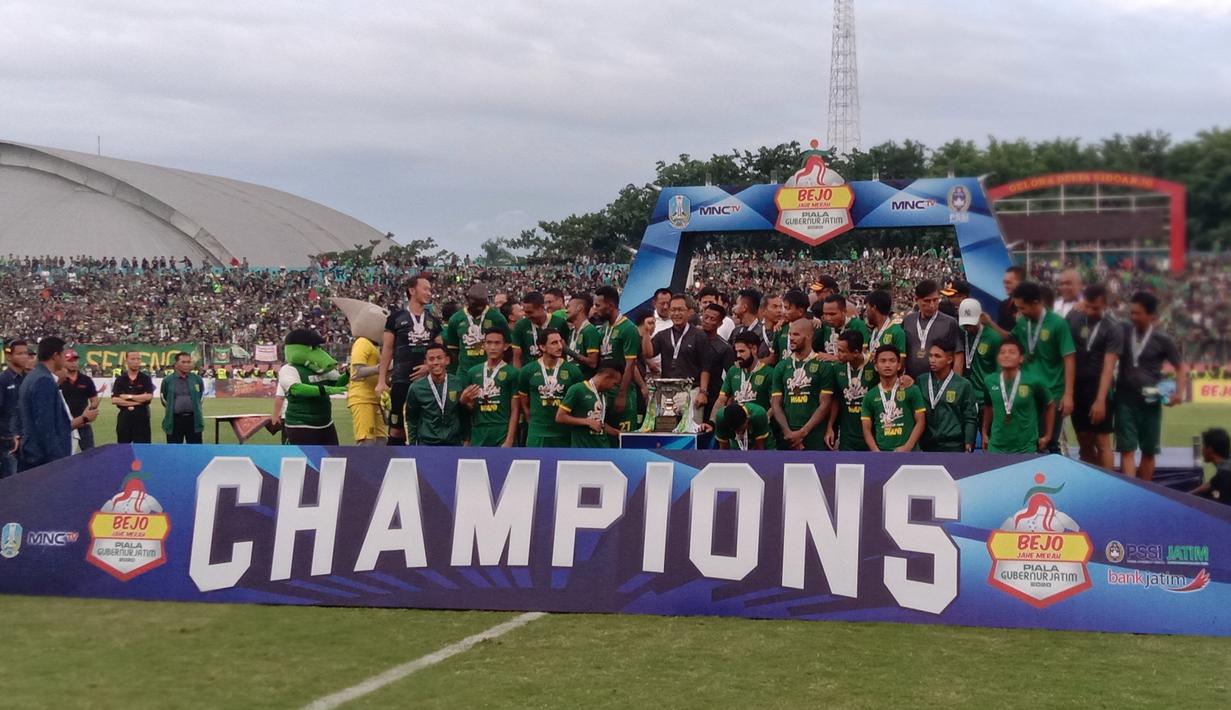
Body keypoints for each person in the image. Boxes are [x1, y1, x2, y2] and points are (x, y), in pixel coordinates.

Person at [1116, 291, 1188, 480]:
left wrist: (1179, 393)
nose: (1132, 317)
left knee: (1148, 452)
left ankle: (1145, 494)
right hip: (1124, 398)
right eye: (1131, 312)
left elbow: (1181, 368)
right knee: (1127, 450)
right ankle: (1130, 494)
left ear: (1151, 316)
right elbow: (1103, 317)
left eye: (1137, 313)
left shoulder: (1163, 340)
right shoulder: (1123, 330)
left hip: (1151, 401)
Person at [1006, 281, 1075, 454]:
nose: (1020, 312)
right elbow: (1009, 341)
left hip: (1052, 393)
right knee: (1027, 441)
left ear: (1036, 303)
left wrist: (1068, 395)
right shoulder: (1023, 323)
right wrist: (990, 324)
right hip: (1028, 393)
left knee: (1048, 442)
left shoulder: (1058, 324)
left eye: (1023, 308)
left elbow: (1069, 358)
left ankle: (1054, 480)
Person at [376, 275, 442, 446]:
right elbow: (387, 349)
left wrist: (429, 366)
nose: (429, 292)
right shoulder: (395, 319)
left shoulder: (434, 321)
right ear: (412, 291)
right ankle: (393, 463)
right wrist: (381, 381)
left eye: (430, 289)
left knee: (425, 425)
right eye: (425, 289)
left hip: (427, 383)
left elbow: (441, 352)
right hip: (401, 380)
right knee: (397, 428)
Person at [1067, 284, 1123, 469]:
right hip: (1077, 388)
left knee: (1102, 442)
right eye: (1088, 306)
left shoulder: (1113, 327)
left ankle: (1109, 490)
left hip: (1100, 389)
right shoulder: (1074, 316)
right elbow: (1066, 353)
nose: (1091, 311)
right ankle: (1090, 486)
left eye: (1096, 308)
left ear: (1105, 305)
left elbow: (1109, 367)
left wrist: (1100, 400)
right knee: (1084, 440)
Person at [643, 294, 712, 420]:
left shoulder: (699, 335)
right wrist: (646, 332)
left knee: (690, 432)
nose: (676, 313)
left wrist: (703, 392)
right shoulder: (662, 335)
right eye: (673, 310)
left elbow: (705, 367)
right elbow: (648, 353)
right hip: (666, 391)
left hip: (691, 391)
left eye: (680, 310)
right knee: (665, 430)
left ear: (690, 312)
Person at [770, 318, 834, 451]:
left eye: (796, 334)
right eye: (790, 334)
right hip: (787, 437)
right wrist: (788, 432)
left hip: (815, 437)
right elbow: (776, 403)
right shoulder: (781, 366)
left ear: (809, 336)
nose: (791, 338)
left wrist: (803, 432)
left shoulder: (823, 366)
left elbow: (825, 404)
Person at [982, 338, 1054, 454]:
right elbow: (988, 406)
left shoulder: (1034, 381)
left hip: (1025, 448)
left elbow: (1050, 404)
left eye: (1012, 352)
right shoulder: (989, 381)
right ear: (998, 358)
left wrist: (1048, 435)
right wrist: (984, 432)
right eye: (1002, 352)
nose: (1006, 355)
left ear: (1021, 358)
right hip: (996, 447)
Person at [16, 337, 79, 469]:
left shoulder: (33, 377)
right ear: (55, 356)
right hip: (42, 457)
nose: (64, 359)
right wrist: (57, 459)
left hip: (33, 451)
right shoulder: (43, 380)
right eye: (63, 354)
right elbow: (45, 424)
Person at [278, 329, 348, 445]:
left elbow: (336, 384)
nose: (318, 351)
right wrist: (325, 390)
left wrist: (348, 374)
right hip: (300, 425)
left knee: (331, 458)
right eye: (313, 348)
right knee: (305, 461)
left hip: (325, 423)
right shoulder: (289, 369)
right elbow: (297, 389)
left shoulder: (320, 369)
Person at [519, 329, 584, 447]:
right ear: (542, 347)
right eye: (554, 343)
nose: (559, 346)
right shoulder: (527, 371)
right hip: (537, 433)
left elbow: (579, 402)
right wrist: (532, 421)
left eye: (560, 342)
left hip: (564, 433)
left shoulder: (573, 371)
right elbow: (524, 400)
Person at [593, 285, 643, 433]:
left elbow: (630, 364)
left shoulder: (628, 329)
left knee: (623, 436)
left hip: (622, 390)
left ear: (610, 306)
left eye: (598, 305)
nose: (595, 309)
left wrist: (622, 394)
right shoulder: (603, 328)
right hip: (604, 391)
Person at [460, 330, 520, 447]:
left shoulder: (512, 373)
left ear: (505, 346)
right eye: (489, 343)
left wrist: (509, 439)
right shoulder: (473, 372)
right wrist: (464, 401)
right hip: (479, 431)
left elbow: (515, 409)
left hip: (501, 430)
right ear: (484, 345)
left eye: (497, 343)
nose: (493, 347)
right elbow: (471, 407)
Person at [861, 345, 927, 452]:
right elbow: (866, 429)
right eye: (883, 361)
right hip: (882, 454)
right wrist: (876, 452)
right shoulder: (870, 396)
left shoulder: (912, 389)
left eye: (892, 361)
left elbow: (921, 422)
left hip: (909, 453)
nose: (887, 365)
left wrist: (908, 447)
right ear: (876, 366)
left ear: (899, 365)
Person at [917, 339, 978, 452]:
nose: (932, 360)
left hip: (953, 446)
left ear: (949, 359)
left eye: (937, 356)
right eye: (930, 356)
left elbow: (970, 418)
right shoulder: (921, 381)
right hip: (927, 445)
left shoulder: (963, 385)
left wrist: (969, 444)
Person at [405, 343, 466, 446]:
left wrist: (466, 439)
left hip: (454, 443)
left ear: (447, 360)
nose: (436, 362)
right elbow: (411, 419)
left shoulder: (458, 384)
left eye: (439, 358)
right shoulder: (416, 388)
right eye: (431, 359)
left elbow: (464, 415)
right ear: (426, 363)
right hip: (427, 444)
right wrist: (412, 445)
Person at [825, 330, 877, 451]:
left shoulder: (874, 367)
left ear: (856, 353)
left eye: (842, 351)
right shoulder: (837, 368)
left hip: (871, 434)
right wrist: (830, 426)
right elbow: (836, 400)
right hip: (847, 436)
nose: (837, 355)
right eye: (838, 350)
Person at [902, 280, 965, 379]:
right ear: (916, 300)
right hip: (911, 382)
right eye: (927, 301)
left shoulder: (949, 323)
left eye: (935, 300)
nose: (932, 305)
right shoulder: (908, 321)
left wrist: (955, 385)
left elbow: (958, 356)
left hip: (939, 383)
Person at [444, 283, 510, 376]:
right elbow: (453, 350)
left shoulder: (497, 318)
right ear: (467, 300)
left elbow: (507, 348)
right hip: (464, 374)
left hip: (491, 373)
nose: (479, 308)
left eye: (482, 305)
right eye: (476, 305)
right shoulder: (455, 319)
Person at [556, 360, 624, 448]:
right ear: (607, 377)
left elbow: (600, 423)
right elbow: (560, 417)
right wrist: (586, 422)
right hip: (583, 449)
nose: (613, 387)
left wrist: (618, 433)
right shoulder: (577, 389)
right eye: (614, 384)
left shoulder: (604, 395)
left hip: (602, 447)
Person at [959, 299, 1001, 431]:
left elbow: (1000, 371)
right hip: (965, 399)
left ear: (980, 317)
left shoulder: (993, 338)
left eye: (972, 323)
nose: (969, 328)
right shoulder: (959, 333)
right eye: (965, 324)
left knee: (988, 438)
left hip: (985, 400)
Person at [0, 339, 32, 477]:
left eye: (26, 353)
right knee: (11, 483)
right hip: (9, 442)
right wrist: (10, 436)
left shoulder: (30, 379)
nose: (25, 356)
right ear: (8, 356)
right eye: (20, 353)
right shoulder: (3, 380)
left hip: (29, 440)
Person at [699, 303, 735, 422]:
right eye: (706, 317)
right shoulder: (691, 338)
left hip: (712, 395)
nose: (707, 321)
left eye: (712, 319)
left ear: (720, 323)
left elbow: (732, 375)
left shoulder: (724, 348)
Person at [511, 291, 567, 368]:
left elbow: (564, 351)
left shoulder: (559, 323)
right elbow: (516, 357)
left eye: (530, 312)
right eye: (525, 312)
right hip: (529, 373)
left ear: (541, 307)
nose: (527, 316)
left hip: (554, 372)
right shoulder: (521, 325)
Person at [159, 352, 205, 444]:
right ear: (176, 364)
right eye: (183, 362)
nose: (187, 364)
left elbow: (201, 397)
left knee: (195, 450)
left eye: (188, 362)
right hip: (174, 420)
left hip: (193, 420)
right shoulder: (167, 380)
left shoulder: (197, 379)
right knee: (174, 451)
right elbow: (164, 399)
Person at [111, 351, 155, 444]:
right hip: (124, 417)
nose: (136, 362)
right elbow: (115, 400)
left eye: (138, 359)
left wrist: (128, 396)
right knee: (123, 449)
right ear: (126, 360)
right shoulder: (120, 379)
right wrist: (139, 401)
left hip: (142, 417)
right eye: (133, 359)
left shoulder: (145, 378)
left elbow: (148, 397)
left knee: (143, 449)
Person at [59, 348, 98, 451]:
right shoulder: (59, 380)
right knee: (64, 456)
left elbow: (94, 399)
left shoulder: (86, 380)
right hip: (65, 423)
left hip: (83, 423)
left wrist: (91, 409)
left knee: (90, 454)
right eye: (70, 360)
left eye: (75, 360)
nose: (73, 363)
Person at [817, 294, 869, 360]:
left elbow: (861, 356)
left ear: (844, 311)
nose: (828, 318)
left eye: (832, 314)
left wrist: (834, 358)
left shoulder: (858, 325)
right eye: (825, 314)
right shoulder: (824, 326)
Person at [771, 289, 812, 364]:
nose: (783, 312)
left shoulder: (814, 328)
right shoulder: (780, 328)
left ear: (800, 311)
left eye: (787, 308)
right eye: (784, 308)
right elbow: (774, 357)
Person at [865, 289, 906, 363]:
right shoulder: (873, 331)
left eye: (867, 308)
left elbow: (901, 364)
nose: (866, 313)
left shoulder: (897, 332)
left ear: (874, 308)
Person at [1191, 428, 1231, 504]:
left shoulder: (1225, 475)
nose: (1202, 449)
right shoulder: (1227, 464)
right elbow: (1211, 484)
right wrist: (1186, 495)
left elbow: (1225, 510)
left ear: (1210, 449)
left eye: (1203, 445)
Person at [729, 288, 770, 357]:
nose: (733, 308)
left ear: (744, 307)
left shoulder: (764, 333)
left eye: (736, 304)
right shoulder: (736, 331)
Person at [997, 265, 1026, 330]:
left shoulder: (1031, 306)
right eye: (1004, 282)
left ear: (1021, 283)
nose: (1005, 286)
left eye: (1009, 283)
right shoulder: (1003, 306)